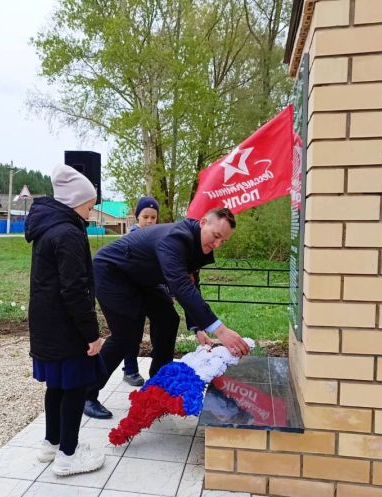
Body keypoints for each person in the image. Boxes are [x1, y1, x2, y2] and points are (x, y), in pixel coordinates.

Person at [84, 207, 251, 419]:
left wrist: (198, 327)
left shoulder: (198, 245)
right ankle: (86, 393)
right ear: (202, 223)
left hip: (141, 279)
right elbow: (180, 286)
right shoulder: (175, 239)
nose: (217, 244)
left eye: (223, 241)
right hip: (112, 274)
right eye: (216, 236)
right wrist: (220, 330)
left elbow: (191, 284)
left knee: (168, 319)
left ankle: (158, 384)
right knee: (125, 336)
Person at [25, 164, 105, 476]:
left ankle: (52, 444)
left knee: (56, 386)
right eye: (89, 204)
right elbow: (74, 289)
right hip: (66, 326)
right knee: (74, 388)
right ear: (74, 202)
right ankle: (68, 456)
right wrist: (91, 333)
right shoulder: (69, 233)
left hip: (45, 324)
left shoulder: (46, 228)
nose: (91, 209)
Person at [120, 196, 160, 387]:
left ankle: (159, 369)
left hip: (151, 293)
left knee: (157, 331)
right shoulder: (129, 239)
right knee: (132, 334)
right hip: (131, 295)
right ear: (138, 218)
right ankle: (130, 369)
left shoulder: (159, 239)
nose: (150, 221)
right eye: (146, 217)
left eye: (153, 217)